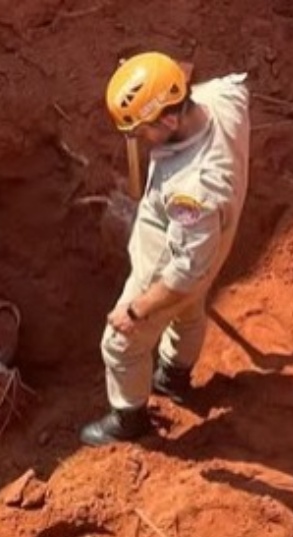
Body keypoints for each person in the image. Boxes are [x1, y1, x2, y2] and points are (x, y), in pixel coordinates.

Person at [80, 52, 252, 446]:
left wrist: (136, 310)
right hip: (213, 243)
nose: (137, 139)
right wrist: (151, 75)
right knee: (190, 309)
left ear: (171, 120)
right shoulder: (224, 98)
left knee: (120, 344)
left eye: (141, 131)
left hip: (175, 258)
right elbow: (199, 76)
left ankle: (129, 418)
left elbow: (184, 272)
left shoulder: (193, 190)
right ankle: (173, 378)